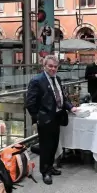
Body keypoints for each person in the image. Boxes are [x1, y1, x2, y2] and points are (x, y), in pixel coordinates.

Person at [25, 55, 77, 185]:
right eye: (50, 66)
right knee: (45, 147)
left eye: (55, 66)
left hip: (57, 117)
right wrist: (38, 118)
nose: (53, 69)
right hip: (45, 120)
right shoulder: (37, 80)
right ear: (44, 66)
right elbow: (30, 103)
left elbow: (62, 98)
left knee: (54, 145)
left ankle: (50, 167)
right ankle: (45, 171)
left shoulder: (57, 79)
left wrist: (70, 107)